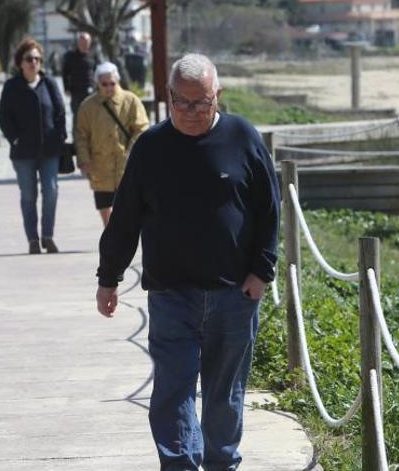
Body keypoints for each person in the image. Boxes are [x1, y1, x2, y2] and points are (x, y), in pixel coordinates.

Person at [95, 53, 280, 470]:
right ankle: (180, 464)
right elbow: (124, 218)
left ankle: (222, 464)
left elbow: (270, 209)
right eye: (182, 102)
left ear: (219, 96)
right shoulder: (151, 147)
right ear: (168, 96)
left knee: (224, 394)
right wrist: (109, 278)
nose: (192, 112)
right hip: (171, 293)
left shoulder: (243, 137)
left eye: (202, 102)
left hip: (234, 293)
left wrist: (262, 271)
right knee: (173, 391)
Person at [0, 38, 67, 255]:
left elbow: (60, 112)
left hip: (49, 151)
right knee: (28, 195)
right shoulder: (11, 86)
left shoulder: (49, 84)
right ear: (20, 62)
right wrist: (15, 139)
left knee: (51, 191)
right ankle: (33, 239)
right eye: (29, 59)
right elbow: (3, 117)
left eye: (37, 59)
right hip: (23, 153)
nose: (34, 63)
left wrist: (59, 137)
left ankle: (48, 235)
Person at [75, 62, 149, 227]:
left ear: (118, 81)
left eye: (112, 83)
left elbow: (142, 128)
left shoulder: (131, 101)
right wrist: (83, 159)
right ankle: (108, 230)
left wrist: (132, 151)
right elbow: (81, 135)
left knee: (127, 201)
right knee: (103, 202)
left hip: (125, 162)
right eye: (104, 84)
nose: (109, 87)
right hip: (99, 163)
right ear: (97, 83)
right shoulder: (87, 106)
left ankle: (123, 231)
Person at [62, 32, 100, 138]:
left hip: (91, 91)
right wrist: (66, 88)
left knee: (92, 117)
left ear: (89, 43)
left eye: (86, 42)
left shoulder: (93, 55)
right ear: (78, 43)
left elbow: (97, 72)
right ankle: (77, 141)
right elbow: (65, 73)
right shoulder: (70, 56)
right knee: (77, 117)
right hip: (76, 91)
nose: (84, 44)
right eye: (82, 42)